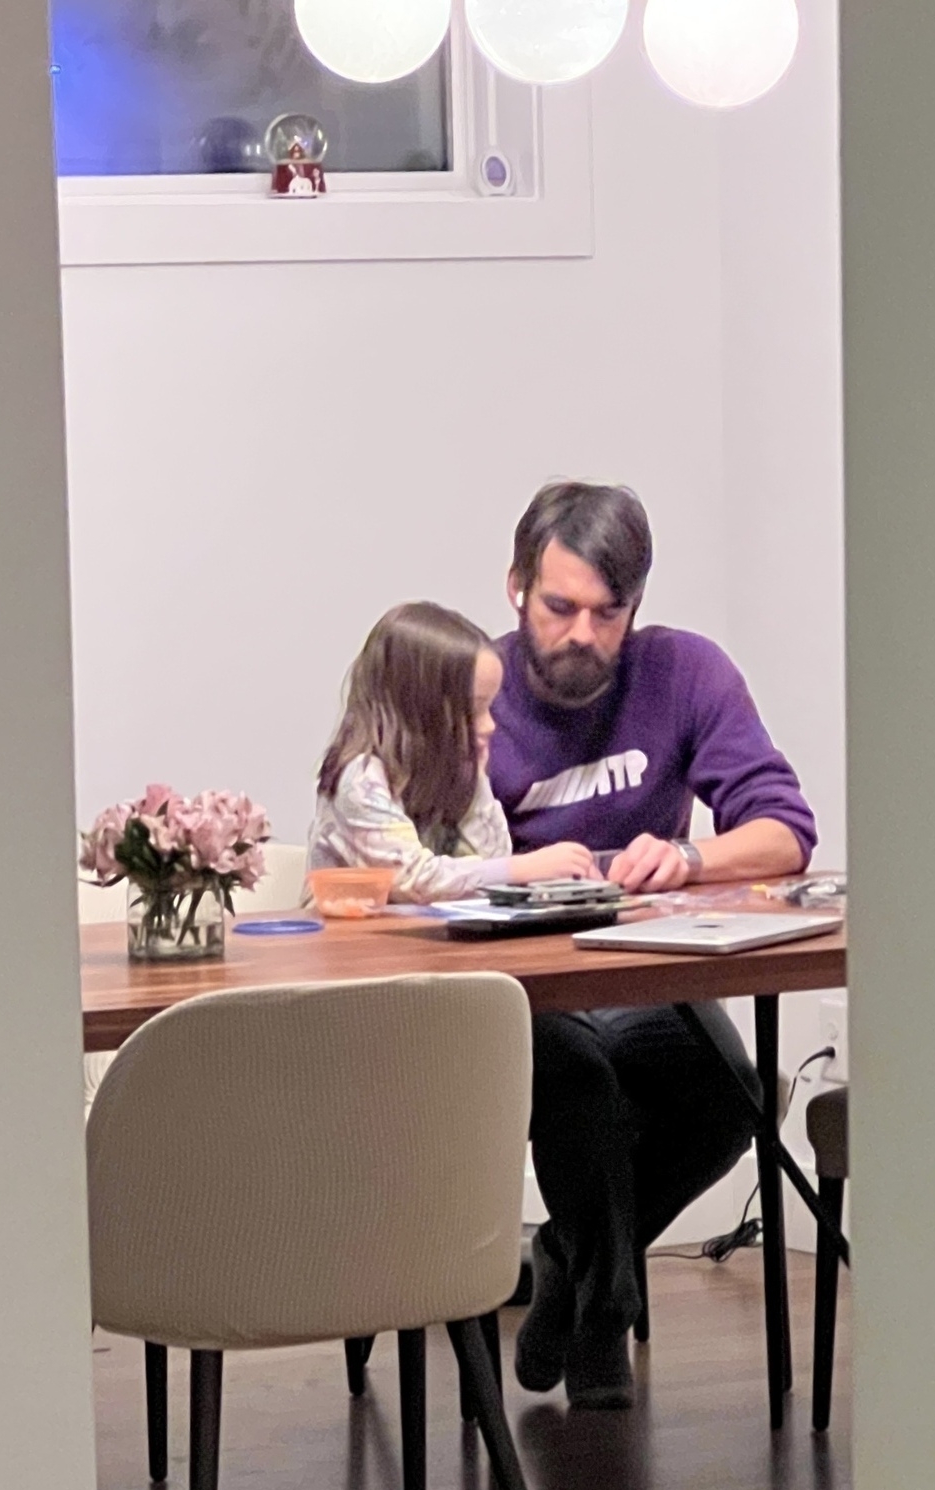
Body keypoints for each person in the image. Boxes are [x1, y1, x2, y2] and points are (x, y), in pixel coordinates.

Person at [487, 481, 818, 1409]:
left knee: (731, 1094)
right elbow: (418, 863)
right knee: (579, 1083)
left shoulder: (684, 672)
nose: (584, 634)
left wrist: (686, 854)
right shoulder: (474, 687)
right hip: (513, 992)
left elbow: (786, 831)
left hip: (642, 973)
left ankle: (570, 1260)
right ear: (515, 587)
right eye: (560, 607)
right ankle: (606, 1314)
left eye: (609, 612)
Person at [308, 601, 596, 904]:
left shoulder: (451, 772)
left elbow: (492, 858)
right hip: (348, 943)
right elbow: (413, 879)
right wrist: (524, 868)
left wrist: (478, 784)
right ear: (419, 709)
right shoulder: (361, 778)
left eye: (490, 707)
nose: (489, 725)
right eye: (473, 709)